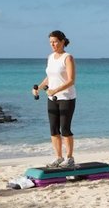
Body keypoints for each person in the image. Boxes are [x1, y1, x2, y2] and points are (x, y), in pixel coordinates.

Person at [32, 30, 77, 168]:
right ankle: (58, 157)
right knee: (53, 129)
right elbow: (49, 77)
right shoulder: (50, 57)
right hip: (52, 98)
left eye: (55, 41)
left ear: (63, 41)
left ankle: (69, 158)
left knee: (65, 129)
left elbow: (71, 80)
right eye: (51, 42)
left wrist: (55, 90)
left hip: (67, 98)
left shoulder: (67, 58)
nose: (53, 44)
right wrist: (39, 87)